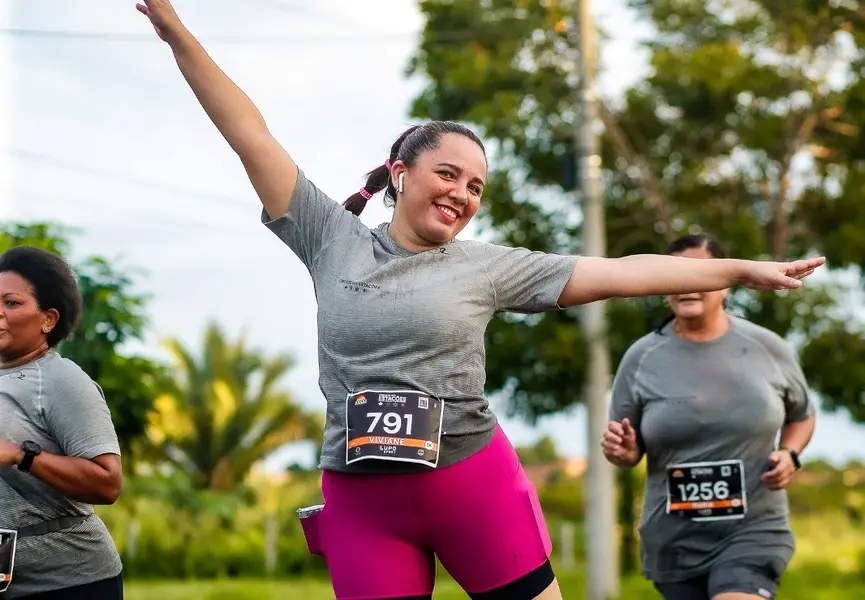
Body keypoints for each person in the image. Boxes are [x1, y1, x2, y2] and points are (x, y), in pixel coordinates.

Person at [135, 2, 825, 598]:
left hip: (470, 484)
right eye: (447, 174)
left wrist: (743, 271)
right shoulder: (327, 237)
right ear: (400, 174)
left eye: (475, 188)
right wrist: (175, 33)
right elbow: (249, 133)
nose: (462, 195)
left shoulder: (487, 267)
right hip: (360, 496)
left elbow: (620, 272)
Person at [602, 233, 817, 600]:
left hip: (752, 532)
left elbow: (802, 414)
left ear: (724, 283)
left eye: (699, 274)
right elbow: (627, 448)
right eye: (675, 275)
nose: (687, 284)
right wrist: (623, 451)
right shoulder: (641, 358)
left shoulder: (768, 347)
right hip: (675, 541)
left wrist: (791, 453)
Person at [0, 246, 124, 599]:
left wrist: (21, 456)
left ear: (48, 319)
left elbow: (108, 484)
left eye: (12, 303)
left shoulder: (62, 381)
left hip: (70, 583)